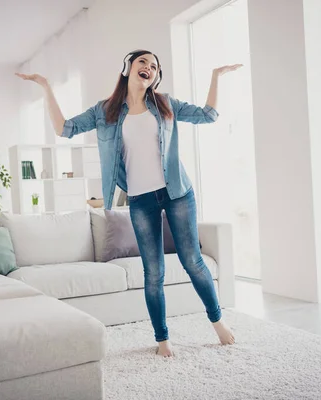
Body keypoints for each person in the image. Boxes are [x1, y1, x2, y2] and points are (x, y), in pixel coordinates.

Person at [16, 49, 242, 357]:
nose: (149, 67)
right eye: (143, 62)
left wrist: (215, 76)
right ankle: (162, 340)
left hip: (177, 192)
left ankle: (217, 322)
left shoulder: (165, 104)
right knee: (153, 273)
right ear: (128, 68)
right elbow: (63, 129)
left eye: (154, 66)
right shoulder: (105, 111)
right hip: (140, 199)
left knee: (192, 261)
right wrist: (45, 87)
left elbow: (208, 115)